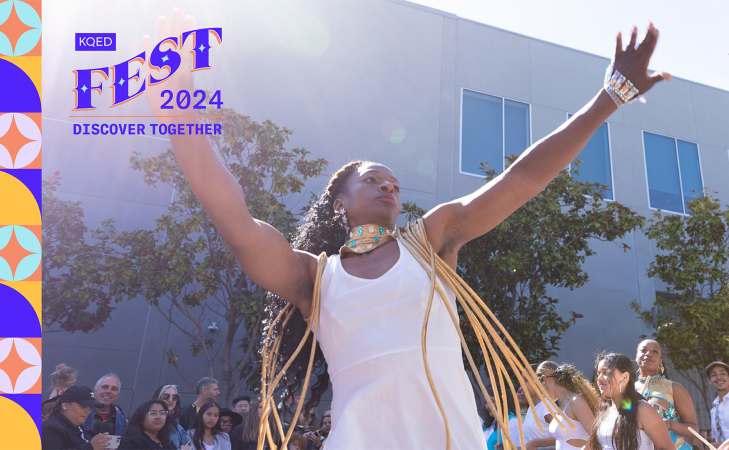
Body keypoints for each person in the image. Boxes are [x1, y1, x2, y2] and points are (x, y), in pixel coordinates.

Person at [146, 10, 670, 448]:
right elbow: (235, 221)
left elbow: (523, 178)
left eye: (395, 184)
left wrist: (611, 97)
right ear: (339, 203)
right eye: (374, 180)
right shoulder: (314, 278)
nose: (390, 188)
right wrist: (176, 107)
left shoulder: (432, 239)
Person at [583, 353, 674, 450]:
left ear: (625, 377)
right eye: (598, 373)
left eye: (606, 373)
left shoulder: (642, 409)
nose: (599, 378)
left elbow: (667, 447)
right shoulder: (604, 411)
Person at [635, 340, 698, 449]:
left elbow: (694, 430)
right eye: (643, 350)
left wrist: (670, 424)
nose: (648, 353)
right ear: (636, 357)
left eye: (654, 351)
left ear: (660, 361)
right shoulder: (628, 391)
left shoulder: (675, 388)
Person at [535, 361, 599, 450]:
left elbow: (596, 436)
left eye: (539, 387)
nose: (541, 394)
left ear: (546, 379)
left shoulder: (575, 401)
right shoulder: (564, 403)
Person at [42, 385, 111, 450]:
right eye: (84, 406)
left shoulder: (82, 428)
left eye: (90, 407)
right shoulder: (51, 428)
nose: (88, 411)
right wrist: (90, 447)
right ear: (65, 405)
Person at [516, 365, 554, 450]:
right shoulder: (532, 408)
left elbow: (565, 437)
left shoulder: (546, 406)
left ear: (541, 382)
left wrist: (535, 443)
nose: (522, 385)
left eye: (526, 380)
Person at [83, 373, 127, 438]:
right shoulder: (80, 413)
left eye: (114, 389)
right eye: (104, 387)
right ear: (94, 391)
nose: (109, 391)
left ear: (117, 395)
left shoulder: (122, 421)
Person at [707, 361, 729, 444]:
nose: (718, 377)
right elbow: (717, 439)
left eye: (723, 373)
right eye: (713, 375)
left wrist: (719, 445)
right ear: (710, 381)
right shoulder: (714, 410)